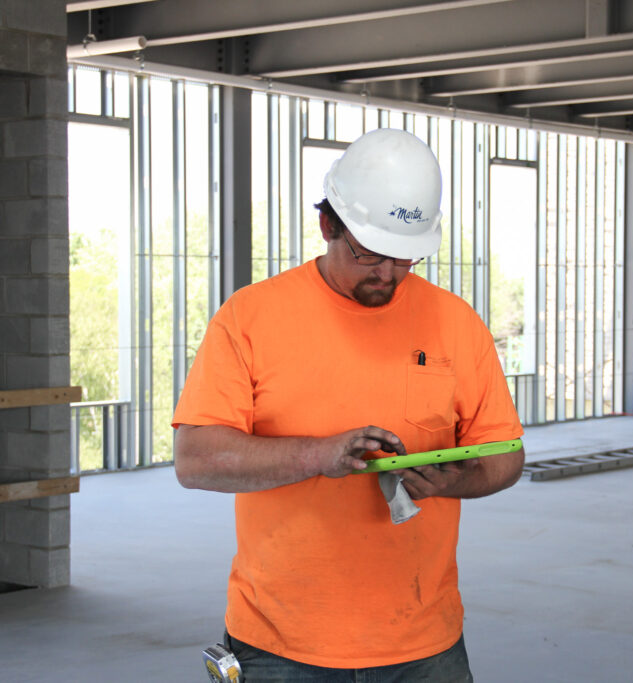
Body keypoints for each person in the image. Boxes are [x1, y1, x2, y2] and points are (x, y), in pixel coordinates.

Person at [172, 127, 525, 681]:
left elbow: (506, 456)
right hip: (279, 645)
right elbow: (195, 460)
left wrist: (456, 479)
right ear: (327, 226)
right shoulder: (250, 318)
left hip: (424, 644)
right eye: (369, 253)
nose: (387, 273)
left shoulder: (456, 323)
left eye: (404, 258)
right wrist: (321, 455)